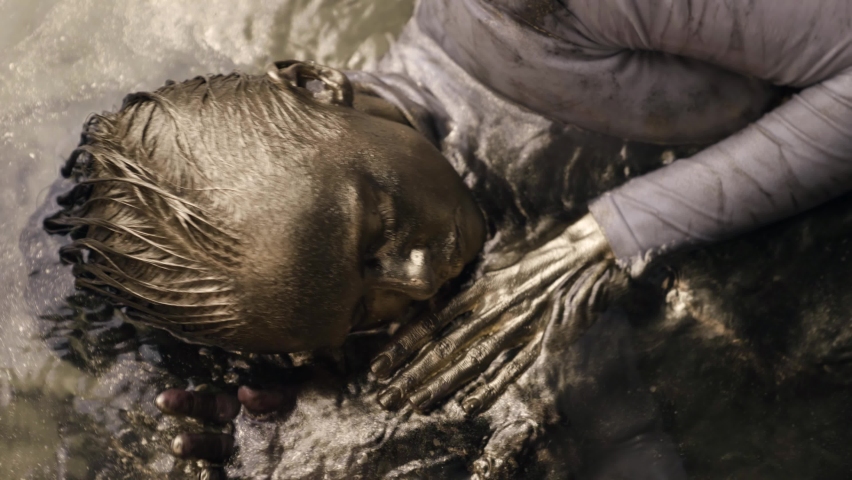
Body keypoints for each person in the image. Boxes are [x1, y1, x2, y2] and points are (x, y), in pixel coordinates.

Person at [44, 0, 852, 477]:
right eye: (366, 309)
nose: (423, 276)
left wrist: (615, 232)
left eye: (378, 230)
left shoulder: (529, 13)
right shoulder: (356, 277)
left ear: (317, 82)